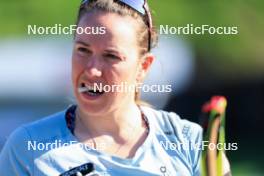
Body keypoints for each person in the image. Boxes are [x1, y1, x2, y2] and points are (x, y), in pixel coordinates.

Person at [0, 0, 229, 175]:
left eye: (111, 56)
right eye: (83, 50)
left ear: (143, 67)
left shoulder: (188, 141)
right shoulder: (26, 148)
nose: (92, 70)